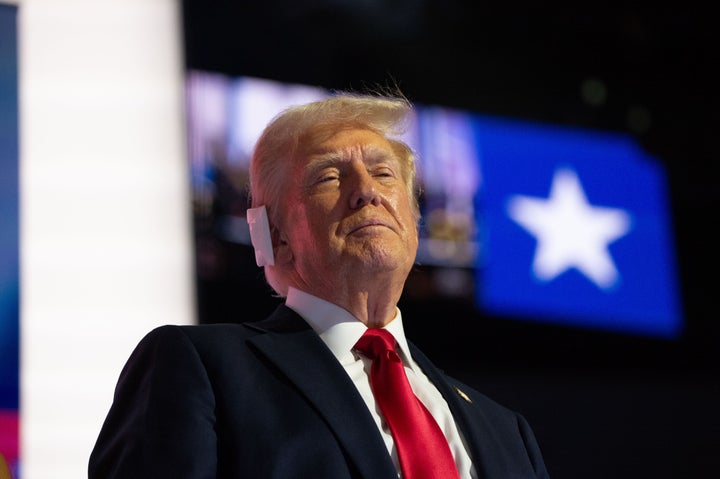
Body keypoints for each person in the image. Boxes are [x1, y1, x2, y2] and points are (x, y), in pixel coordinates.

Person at [89, 93, 550, 478]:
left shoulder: (505, 431)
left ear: (413, 220)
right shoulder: (203, 369)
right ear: (277, 236)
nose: (367, 190)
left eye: (384, 172)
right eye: (330, 176)